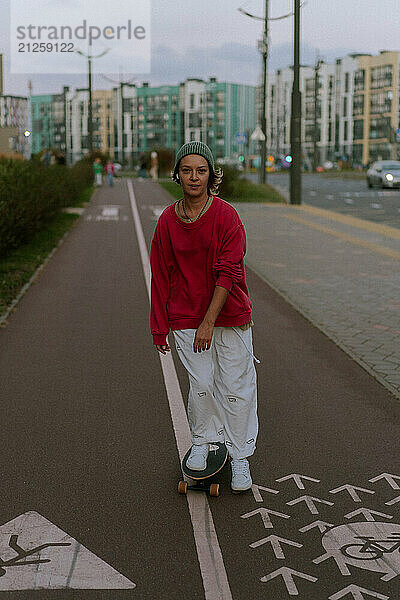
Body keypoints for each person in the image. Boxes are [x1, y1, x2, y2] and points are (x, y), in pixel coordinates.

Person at [150, 141, 259, 493]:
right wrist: (158, 327)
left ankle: (239, 456)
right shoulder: (168, 220)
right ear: (177, 175)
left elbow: (229, 272)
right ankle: (203, 441)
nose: (194, 177)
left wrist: (209, 321)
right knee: (201, 384)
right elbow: (161, 273)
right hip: (184, 315)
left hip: (228, 315)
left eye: (201, 170)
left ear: (212, 174)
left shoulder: (227, 216)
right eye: (187, 170)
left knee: (236, 387)